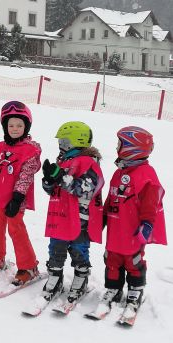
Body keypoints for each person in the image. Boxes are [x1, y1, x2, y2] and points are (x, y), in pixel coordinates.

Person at [99, 126, 166, 312]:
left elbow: (150, 203)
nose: (117, 147)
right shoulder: (119, 172)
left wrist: (147, 224)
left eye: (120, 144)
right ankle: (113, 289)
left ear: (131, 148)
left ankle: (135, 290)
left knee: (133, 261)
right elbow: (110, 198)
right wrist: (102, 219)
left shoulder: (146, 175)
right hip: (115, 230)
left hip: (132, 231)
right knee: (111, 260)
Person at [40, 121, 104, 303]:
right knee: (56, 248)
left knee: (78, 249)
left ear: (77, 142)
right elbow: (53, 191)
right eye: (60, 142)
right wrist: (49, 181)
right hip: (60, 216)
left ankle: (81, 278)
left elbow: (85, 188)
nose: (61, 145)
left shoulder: (89, 163)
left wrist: (61, 178)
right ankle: (55, 277)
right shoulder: (63, 161)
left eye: (64, 142)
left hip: (80, 218)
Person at [0, 101, 40, 284]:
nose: (15, 128)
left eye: (19, 125)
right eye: (11, 125)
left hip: (14, 199)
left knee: (16, 230)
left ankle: (28, 266)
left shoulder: (30, 150)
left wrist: (18, 196)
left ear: (26, 126)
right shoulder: (1, 146)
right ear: (5, 126)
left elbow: (26, 175)